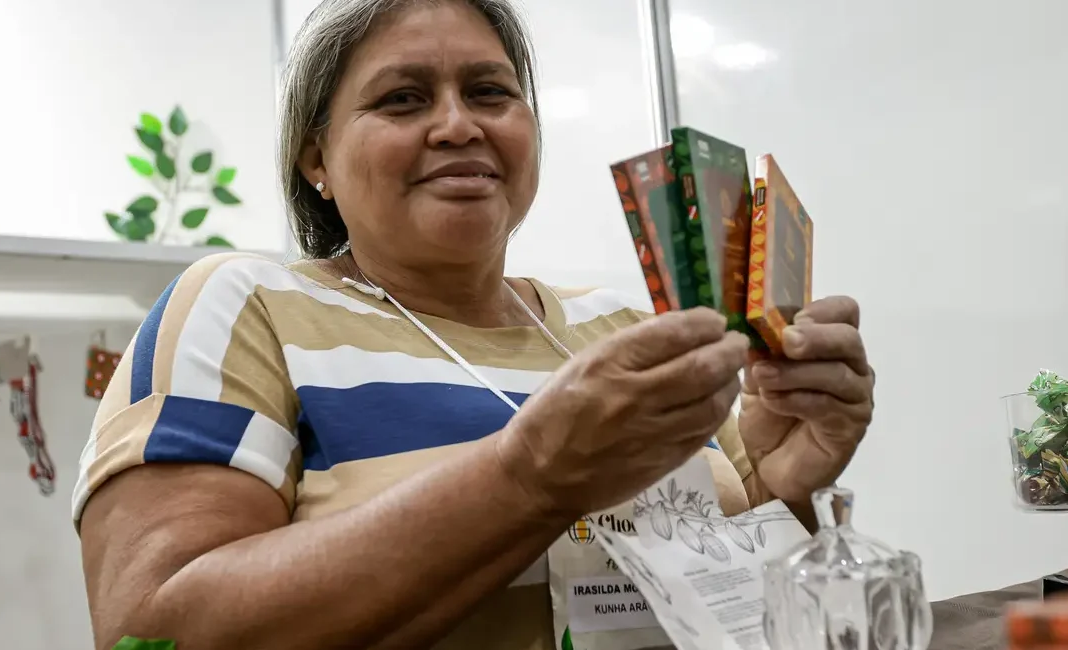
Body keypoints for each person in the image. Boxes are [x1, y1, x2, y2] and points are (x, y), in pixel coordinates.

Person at [73, 0, 875, 648]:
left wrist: (784, 489)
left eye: (490, 92)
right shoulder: (245, 304)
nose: (459, 125)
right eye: (403, 98)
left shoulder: (621, 327)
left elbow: (739, 604)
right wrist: (528, 477)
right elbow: (154, 632)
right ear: (316, 158)